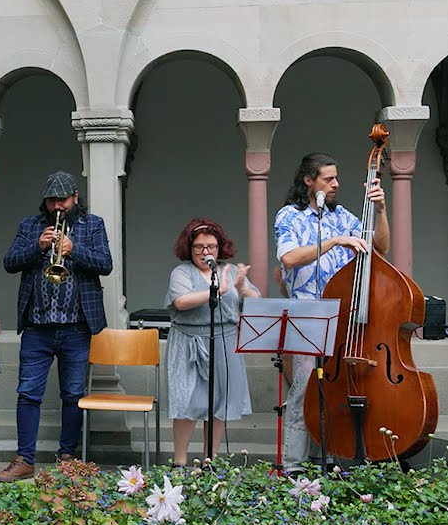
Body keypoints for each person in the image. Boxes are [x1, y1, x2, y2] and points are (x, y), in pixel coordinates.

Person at [274, 152, 389, 475]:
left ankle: (332, 457)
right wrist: (335, 241)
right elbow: (289, 258)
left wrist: (380, 211)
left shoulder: (343, 216)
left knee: (337, 389)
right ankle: (294, 465)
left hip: (342, 316)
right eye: (328, 178)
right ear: (309, 181)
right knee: (305, 389)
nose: (336, 183)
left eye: (336, 178)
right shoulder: (290, 216)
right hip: (307, 315)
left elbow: (381, 247)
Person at [0, 170, 113, 482]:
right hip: (37, 326)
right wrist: (38, 246)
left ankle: (67, 457)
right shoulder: (31, 225)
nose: (57, 206)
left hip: (76, 326)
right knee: (28, 393)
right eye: (51, 201)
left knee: (73, 394)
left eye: (63, 200)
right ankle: (25, 459)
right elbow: (9, 262)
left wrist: (74, 249)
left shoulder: (93, 225)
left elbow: (106, 264)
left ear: (76, 197)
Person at [165, 219, 259, 465]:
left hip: (225, 341)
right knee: (187, 401)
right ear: (189, 248)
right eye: (199, 247)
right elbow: (181, 302)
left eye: (211, 246)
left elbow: (256, 301)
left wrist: (243, 288)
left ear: (220, 247)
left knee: (219, 403)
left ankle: (210, 460)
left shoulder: (229, 270)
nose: (205, 252)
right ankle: (180, 462)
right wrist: (217, 291)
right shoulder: (182, 272)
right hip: (189, 342)